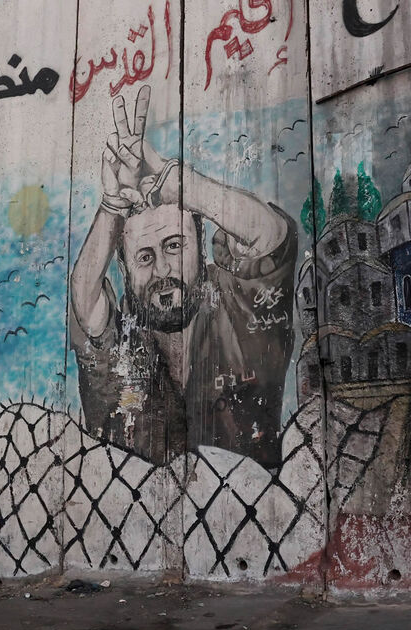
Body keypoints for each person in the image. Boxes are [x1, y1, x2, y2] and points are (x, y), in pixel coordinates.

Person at [68, 85, 296, 466]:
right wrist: (112, 206)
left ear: (199, 246)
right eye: (144, 257)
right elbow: (84, 298)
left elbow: (271, 237)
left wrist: (185, 187)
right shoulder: (121, 338)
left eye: (174, 246)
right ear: (123, 269)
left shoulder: (236, 306)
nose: (163, 270)